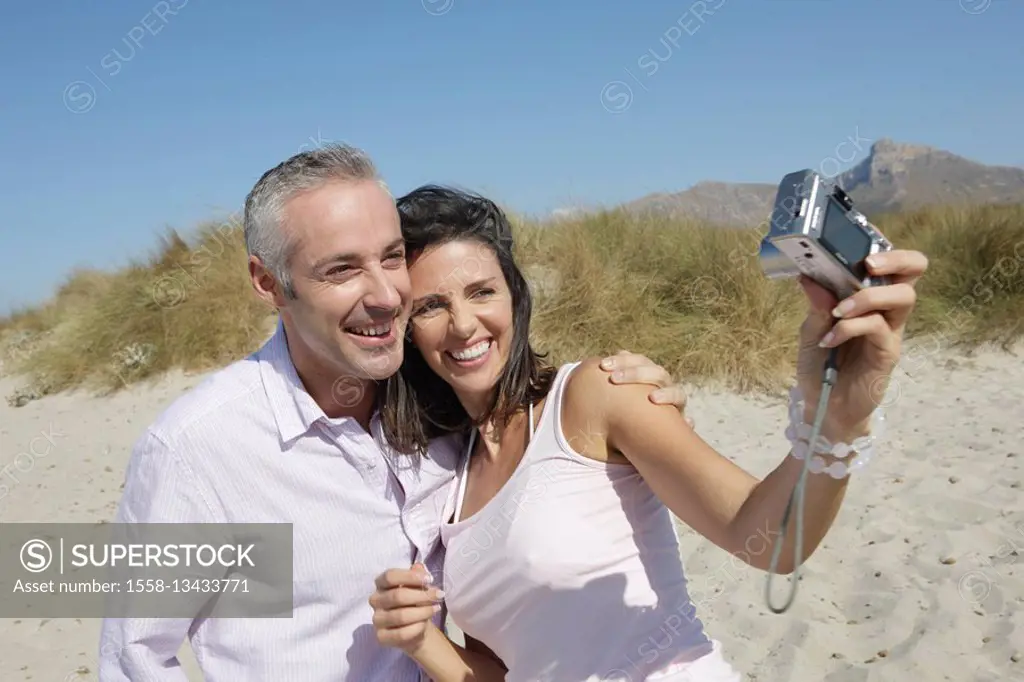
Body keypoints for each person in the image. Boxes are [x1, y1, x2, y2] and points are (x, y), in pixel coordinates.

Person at [97, 144, 691, 681]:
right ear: (269, 282)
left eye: (392, 256)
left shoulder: (441, 401)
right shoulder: (195, 448)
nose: (384, 295)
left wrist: (634, 397)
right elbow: (134, 657)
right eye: (343, 268)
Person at [367, 185, 928, 681]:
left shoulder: (595, 394)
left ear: (516, 296)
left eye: (482, 292)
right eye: (431, 306)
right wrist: (423, 642)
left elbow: (771, 538)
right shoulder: (451, 479)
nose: (463, 324)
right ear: (409, 332)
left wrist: (836, 423)